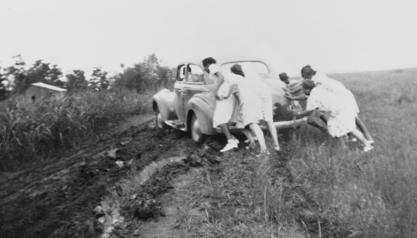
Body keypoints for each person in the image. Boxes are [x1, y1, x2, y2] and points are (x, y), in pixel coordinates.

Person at [300, 65, 375, 143]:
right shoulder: (318, 77)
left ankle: (367, 137)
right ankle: (351, 136)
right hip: (340, 97)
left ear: (308, 74)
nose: (304, 79)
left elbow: (315, 94)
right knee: (345, 119)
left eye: (304, 77)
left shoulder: (316, 81)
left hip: (342, 97)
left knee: (351, 117)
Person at [231, 64, 280, 153]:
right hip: (261, 97)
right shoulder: (249, 76)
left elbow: (239, 96)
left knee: (252, 124)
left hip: (252, 100)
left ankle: (264, 149)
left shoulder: (238, 81)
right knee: (267, 121)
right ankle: (275, 145)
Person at [202, 57, 239, 152]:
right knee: (220, 119)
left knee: (220, 119)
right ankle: (232, 139)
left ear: (207, 65)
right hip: (225, 93)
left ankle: (231, 141)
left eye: (204, 67)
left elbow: (221, 78)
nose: (205, 69)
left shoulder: (213, 66)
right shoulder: (217, 68)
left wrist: (215, 91)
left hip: (225, 94)